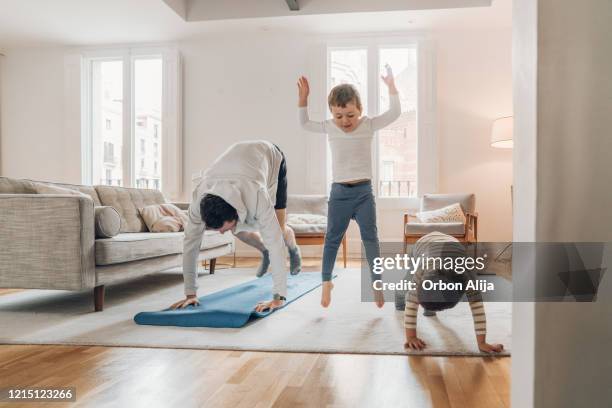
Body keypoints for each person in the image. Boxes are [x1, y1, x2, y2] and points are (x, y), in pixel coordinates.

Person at [296, 65, 401, 308]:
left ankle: (377, 283)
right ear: (332, 114)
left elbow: (394, 113)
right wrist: (303, 99)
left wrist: (392, 88)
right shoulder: (329, 126)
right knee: (332, 238)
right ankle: (326, 283)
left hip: (364, 192)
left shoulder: (368, 125)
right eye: (339, 116)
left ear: (359, 111)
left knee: (370, 238)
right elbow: (304, 124)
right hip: (340, 193)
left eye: (351, 115)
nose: (345, 121)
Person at [170, 140, 302, 312]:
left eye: (223, 228)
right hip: (238, 165)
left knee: (279, 230)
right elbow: (190, 245)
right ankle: (263, 250)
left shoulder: (257, 195)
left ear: (235, 212)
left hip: (271, 157)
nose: (222, 233)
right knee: (237, 229)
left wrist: (279, 297)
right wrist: (190, 293)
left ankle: (293, 250)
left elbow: (275, 242)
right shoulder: (198, 200)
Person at [403, 232, 504, 353]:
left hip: (450, 244)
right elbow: (411, 303)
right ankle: (400, 299)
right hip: (422, 245)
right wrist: (411, 337)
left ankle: (429, 308)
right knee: (407, 285)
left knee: (431, 297)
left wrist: (482, 343)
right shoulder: (423, 266)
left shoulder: (467, 275)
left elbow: (477, 308)